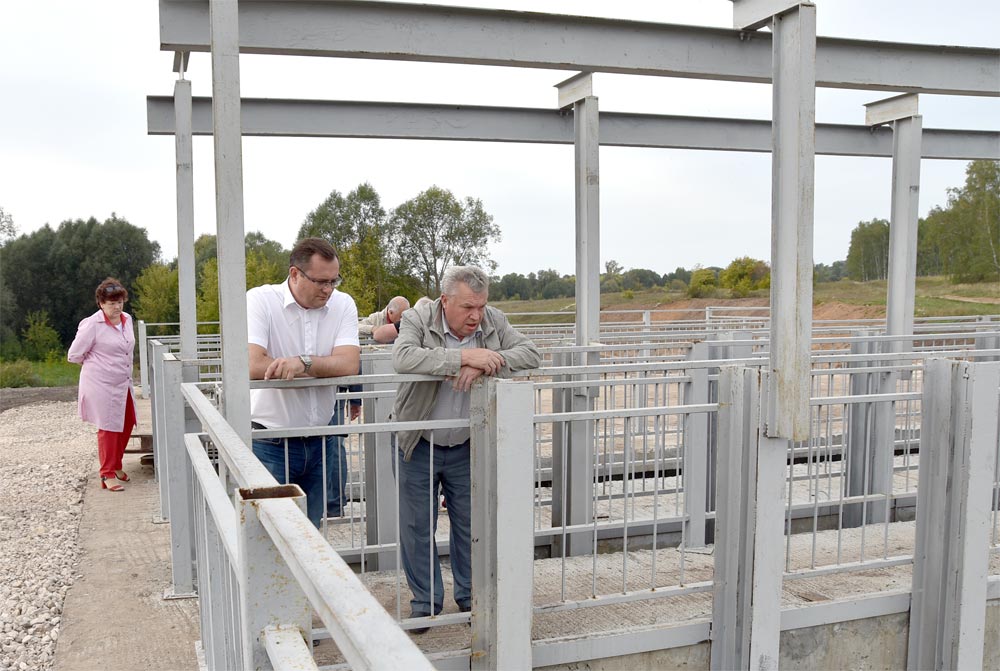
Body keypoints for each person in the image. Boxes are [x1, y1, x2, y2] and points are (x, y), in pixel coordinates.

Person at [390, 266, 540, 627]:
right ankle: (425, 605)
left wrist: (490, 362)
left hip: (468, 444)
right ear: (445, 301)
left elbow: (531, 353)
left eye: (481, 307)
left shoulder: (493, 321)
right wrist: (462, 359)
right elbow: (403, 357)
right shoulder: (417, 317)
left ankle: (471, 600)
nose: (476, 316)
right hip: (419, 441)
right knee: (416, 527)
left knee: (471, 525)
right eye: (468, 308)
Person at [247, 237, 361, 527]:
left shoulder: (343, 303)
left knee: (310, 535)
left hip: (322, 440)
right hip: (270, 440)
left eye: (334, 281)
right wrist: (321, 366)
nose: (328, 290)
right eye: (321, 281)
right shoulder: (260, 300)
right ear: (295, 274)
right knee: (269, 535)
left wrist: (301, 363)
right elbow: (250, 364)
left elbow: (349, 363)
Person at [67, 278, 138, 493]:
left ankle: (116, 465)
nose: (116, 307)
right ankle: (106, 473)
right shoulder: (92, 324)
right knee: (108, 428)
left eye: (120, 302)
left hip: (123, 381)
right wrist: (98, 365)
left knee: (127, 422)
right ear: (101, 303)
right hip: (101, 383)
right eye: (111, 303)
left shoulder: (127, 319)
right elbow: (74, 354)